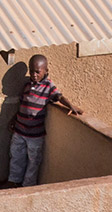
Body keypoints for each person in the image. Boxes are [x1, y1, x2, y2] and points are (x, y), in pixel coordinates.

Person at [7, 55, 82, 187]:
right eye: (31, 71)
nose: (34, 75)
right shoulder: (27, 85)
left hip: (35, 135)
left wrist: (70, 106)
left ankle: (27, 186)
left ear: (46, 71)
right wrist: (14, 119)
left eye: (37, 71)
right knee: (16, 157)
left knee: (33, 161)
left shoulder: (48, 87)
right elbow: (22, 105)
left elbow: (59, 97)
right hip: (20, 131)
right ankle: (13, 181)